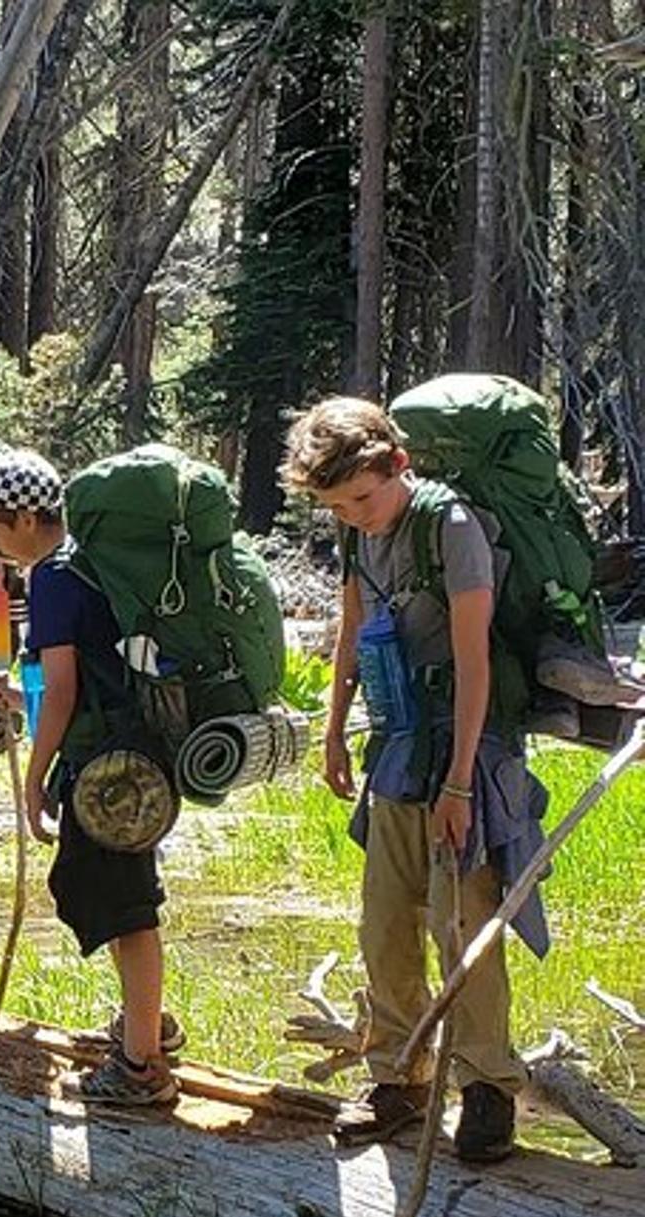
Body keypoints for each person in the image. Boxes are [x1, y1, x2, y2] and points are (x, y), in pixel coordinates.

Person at [286, 397, 543, 1163]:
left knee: (465, 922)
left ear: (397, 463)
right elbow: (355, 628)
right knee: (385, 919)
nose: (355, 515)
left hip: (468, 746)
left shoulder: (451, 528)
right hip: (398, 749)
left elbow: (473, 663)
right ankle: (396, 1076)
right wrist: (334, 725)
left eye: (362, 498)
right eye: (337, 505)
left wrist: (462, 783)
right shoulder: (358, 533)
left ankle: (488, 1086)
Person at [0, 450, 178, 1105]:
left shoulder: (53, 577)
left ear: (26, 516)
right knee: (119, 898)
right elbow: (80, 683)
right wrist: (22, 704)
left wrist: (35, 777)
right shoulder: (85, 563)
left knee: (127, 909)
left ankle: (142, 1068)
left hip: (105, 772)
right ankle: (147, 1028)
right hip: (131, 756)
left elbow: (63, 691)